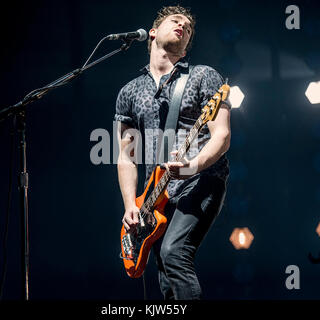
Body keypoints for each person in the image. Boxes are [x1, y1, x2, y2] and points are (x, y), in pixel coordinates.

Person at [115, 5, 231, 300]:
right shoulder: (129, 91)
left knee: (175, 252)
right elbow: (126, 156)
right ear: (152, 32)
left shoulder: (204, 76)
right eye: (175, 20)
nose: (183, 26)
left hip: (201, 178)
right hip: (155, 196)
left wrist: (194, 165)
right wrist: (131, 203)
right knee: (166, 277)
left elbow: (222, 135)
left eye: (188, 28)